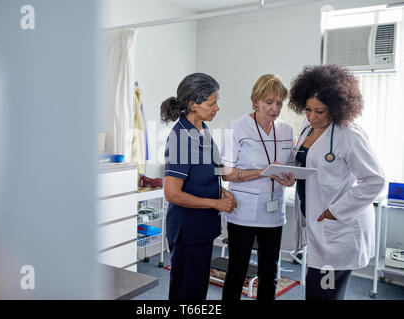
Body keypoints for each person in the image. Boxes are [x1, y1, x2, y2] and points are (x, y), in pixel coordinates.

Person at [282, 64, 386, 300]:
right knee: (317, 290)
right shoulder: (309, 128)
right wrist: (291, 174)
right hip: (319, 225)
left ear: (337, 108)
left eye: (320, 111)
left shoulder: (348, 134)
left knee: (325, 293)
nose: (311, 116)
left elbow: (375, 180)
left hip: (338, 230)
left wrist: (335, 211)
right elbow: (310, 165)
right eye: (308, 109)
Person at [161, 73, 238, 300]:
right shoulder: (181, 138)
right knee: (186, 294)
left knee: (197, 292)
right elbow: (172, 193)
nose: (217, 108)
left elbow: (201, 174)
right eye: (212, 103)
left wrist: (220, 190)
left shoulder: (202, 130)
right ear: (193, 104)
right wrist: (216, 202)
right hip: (188, 231)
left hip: (202, 228)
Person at [220, 74, 295, 301]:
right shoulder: (237, 127)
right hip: (243, 211)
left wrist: (290, 179)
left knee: (270, 271)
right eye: (269, 102)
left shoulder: (286, 130)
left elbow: (290, 170)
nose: (275, 108)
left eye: (279, 103)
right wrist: (263, 171)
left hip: (273, 212)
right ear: (256, 101)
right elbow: (227, 173)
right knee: (237, 271)